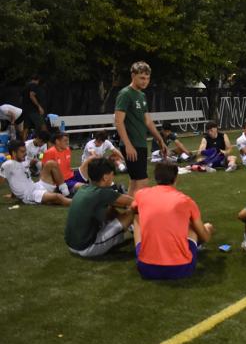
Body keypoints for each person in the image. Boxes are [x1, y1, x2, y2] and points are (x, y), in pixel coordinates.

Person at [132, 161, 214, 280]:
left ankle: (149, 251)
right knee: (195, 226)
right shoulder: (186, 201)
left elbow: (133, 209)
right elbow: (205, 237)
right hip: (181, 269)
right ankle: (185, 248)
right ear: (175, 178)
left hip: (146, 268)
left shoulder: (141, 194)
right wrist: (208, 229)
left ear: (156, 178)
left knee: (136, 215)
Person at [114, 61, 167, 195]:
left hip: (141, 143)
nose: (145, 81)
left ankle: (128, 213)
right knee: (142, 182)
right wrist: (128, 145)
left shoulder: (142, 95)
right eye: (142, 78)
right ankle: (135, 214)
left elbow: (148, 121)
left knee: (135, 182)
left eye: (147, 78)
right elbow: (118, 121)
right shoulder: (125, 94)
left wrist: (160, 140)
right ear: (133, 75)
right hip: (132, 145)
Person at [64, 158, 134, 257]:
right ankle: (131, 231)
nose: (113, 176)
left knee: (108, 208)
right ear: (105, 177)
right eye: (112, 174)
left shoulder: (83, 188)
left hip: (72, 245)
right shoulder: (103, 193)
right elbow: (134, 202)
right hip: (86, 248)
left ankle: (128, 231)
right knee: (132, 211)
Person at [0, 139, 71, 206]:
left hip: (36, 186)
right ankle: (78, 203)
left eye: (25, 151)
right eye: (22, 152)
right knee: (57, 197)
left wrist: (13, 195)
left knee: (51, 163)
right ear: (14, 153)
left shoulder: (22, 162)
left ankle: (66, 193)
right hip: (30, 194)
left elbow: (17, 180)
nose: (25, 154)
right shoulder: (8, 164)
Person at [20, 75, 47, 141]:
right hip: (33, 110)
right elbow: (31, 96)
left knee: (26, 129)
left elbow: (22, 98)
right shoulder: (34, 85)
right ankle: (46, 144)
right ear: (37, 80)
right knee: (43, 126)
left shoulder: (25, 87)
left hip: (26, 111)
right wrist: (39, 107)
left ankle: (23, 145)